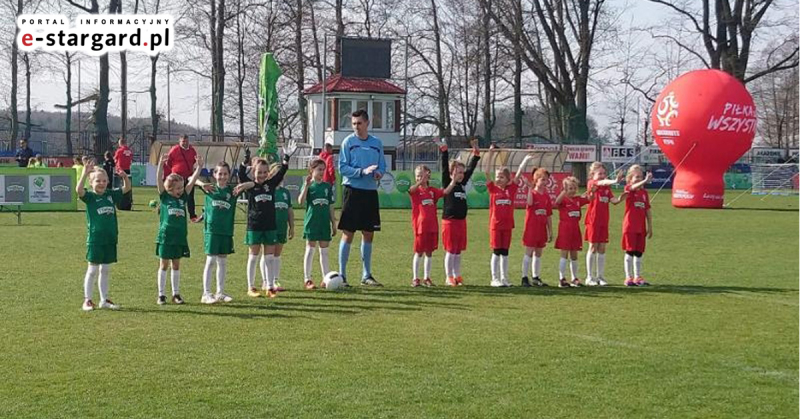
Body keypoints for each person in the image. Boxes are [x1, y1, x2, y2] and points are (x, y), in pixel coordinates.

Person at [237, 140, 298, 298]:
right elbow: (241, 174)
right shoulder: (250, 185)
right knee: (253, 256)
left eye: (265, 172)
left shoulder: (271, 185)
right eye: (259, 172)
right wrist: (245, 160)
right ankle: (251, 287)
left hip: (270, 226)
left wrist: (286, 157)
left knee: (269, 257)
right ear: (254, 172)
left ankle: (270, 286)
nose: (262, 175)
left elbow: (282, 172)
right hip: (255, 226)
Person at [337, 109, 386, 287]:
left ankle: (366, 275)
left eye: (359, 123)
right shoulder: (348, 142)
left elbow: (382, 165)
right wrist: (361, 172)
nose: (356, 127)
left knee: (368, 233)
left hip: (370, 193)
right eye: (353, 124)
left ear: (367, 123)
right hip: (352, 191)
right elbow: (342, 167)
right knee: (348, 233)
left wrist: (378, 174)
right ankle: (342, 276)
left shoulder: (376, 143)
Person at [76, 159, 131, 311]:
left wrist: (124, 177)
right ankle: (87, 300)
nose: (101, 183)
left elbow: (126, 189)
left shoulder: (110, 195)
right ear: (91, 182)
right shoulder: (90, 197)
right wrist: (84, 174)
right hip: (96, 239)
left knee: (105, 270)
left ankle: (104, 299)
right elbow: (79, 191)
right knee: (92, 269)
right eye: (97, 181)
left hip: (110, 238)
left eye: (104, 180)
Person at [195, 162, 250, 304]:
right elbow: (191, 178)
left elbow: (252, 184)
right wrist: (202, 184)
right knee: (211, 260)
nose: (223, 177)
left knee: (223, 261)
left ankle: (220, 292)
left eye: (225, 174)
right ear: (214, 175)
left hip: (226, 231)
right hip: (212, 230)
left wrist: (242, 186)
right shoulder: (210, 189)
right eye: (220, 174)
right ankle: (206, 293)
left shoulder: (232, 192)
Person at [154, 153, 203, 305]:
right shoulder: (165, 197)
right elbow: (159, 182)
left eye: (181, 187)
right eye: (177, 188)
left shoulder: (183, 199)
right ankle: (161, 295)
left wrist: (199, 168)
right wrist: (161, 166)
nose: (180, 190)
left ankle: (176, 294)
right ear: (169, 188)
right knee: (164, 265)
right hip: (166, 237)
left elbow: (192, 182)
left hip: (179, 237)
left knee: (176, 265)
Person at [483, 145, 532, 287]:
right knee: (496, 251)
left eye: (501, 176)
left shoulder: (511, 189)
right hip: (495, 225)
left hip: (508, 225)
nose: (498, 178)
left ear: (507, 178)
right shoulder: (493, 189)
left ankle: (504, 278)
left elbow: (519, 174)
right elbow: (486, 171)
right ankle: (494, 278)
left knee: (505, 252)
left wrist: (525, 160)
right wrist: (491, 153)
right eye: (497, 176)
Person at [438, 138, 481, 286]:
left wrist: (475, 155)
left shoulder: (462, 184)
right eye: (457, 172)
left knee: (458, 250)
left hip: (461, 222)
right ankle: (448, 276)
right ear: (451, 174)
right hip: (449, 221)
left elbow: (470, 169)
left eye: (462, 172)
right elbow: (444, 167)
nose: (461, 175)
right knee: (450, 250)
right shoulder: (448, 182)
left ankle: (457, 275)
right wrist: (444, 151)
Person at [408, 164, 456, 287]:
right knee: (419, 252)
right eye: (418, 176)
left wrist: (453, 181)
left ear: (428, 175)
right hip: (420, 227)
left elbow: (444, 192)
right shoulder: (416, 191)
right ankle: (415, 278)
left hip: (432, 226)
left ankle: (427, 278)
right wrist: (419, 182)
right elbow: (410, 190)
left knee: (429, 252)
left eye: (422, 175)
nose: (420, 178)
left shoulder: (432, 191)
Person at [584, 162, 624, 286]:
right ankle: (589, 277)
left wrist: (623, 197)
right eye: (599, 173)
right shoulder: (592, 184)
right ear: (592, 175)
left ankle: (600, 276)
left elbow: (614, 201)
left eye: (604, 173)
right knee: (593, 247)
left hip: (603, 221)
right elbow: (601, 183)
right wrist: (615, 180)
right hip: (593, 221)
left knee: (602, 248)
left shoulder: (607, 189)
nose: (602, 176)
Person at [299, 159, 336, 289]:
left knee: (324, 251)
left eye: (323, 169)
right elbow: (300, 201)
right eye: (319, 169)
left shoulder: (327, 187)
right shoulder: (309, 185)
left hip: (324, 223)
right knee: (310, 249)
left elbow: (331, 206)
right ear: (312, 171)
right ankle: (307, 279)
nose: (321, 172)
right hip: (312, 222)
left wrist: (334, 222)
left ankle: (326, 279)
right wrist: (306, 186)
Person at [618, 165, 653, 287]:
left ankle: (638, 276)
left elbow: (647, 210)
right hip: (630, 226)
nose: (639, 179)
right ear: (629, 179)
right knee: (630, 251)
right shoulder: (628, 189)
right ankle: (628, 277)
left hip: (641, 227)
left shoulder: (644, 193)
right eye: (636, 177)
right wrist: (644, 181)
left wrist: (650, 226)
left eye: (641, 176)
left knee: (639, 252)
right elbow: (632, 187)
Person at [554, 176, 592, 288]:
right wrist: (564, 191)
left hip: (575, 230)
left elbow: (590, 198)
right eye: (570, 188)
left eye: (574, 188)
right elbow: (557, 202)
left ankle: (574, 278)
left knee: (574, 254)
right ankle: (562, 278)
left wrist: (592, 190)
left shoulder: (578, 200)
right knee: (564, 254)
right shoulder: (564, 200)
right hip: (565, 229)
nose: (573, 190)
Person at [521, 168, 553, 287]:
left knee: (538, 253)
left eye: (546, 180)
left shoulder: (546, 196)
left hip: (541, 228)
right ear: (535, 180)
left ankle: (536, 277)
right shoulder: (533, 193)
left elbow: (548, 214)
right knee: (529, 251)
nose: (545, 182)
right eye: (542, 179)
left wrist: (550, 231)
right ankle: (524, 277)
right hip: (532, 228)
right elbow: (529, 203)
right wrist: (529, 189)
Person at [166, 135, 200, 222]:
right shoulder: (174, 150)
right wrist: (174, 171)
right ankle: (172, 212)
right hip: (177, 178)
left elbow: (193, 162)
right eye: (183, 141)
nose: (185, 143)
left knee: (190, 197)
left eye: (186, 141)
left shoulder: (192, 150)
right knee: (175, 195)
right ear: (179, 142)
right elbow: (168, 162)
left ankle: (193, 216)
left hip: (188, 177)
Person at [270, 179, 295, 292]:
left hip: (282, 227)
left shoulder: (285, 192)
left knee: (277, 254)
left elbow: (289, 210)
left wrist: (292, 226)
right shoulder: (269, 190)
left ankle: (275, 280)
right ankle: (266, 281)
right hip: (270, 227)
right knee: (268, 254)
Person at [114, 137, 135, 210]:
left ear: (120, 143)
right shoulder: (129, 150)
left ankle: (119, 201)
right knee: (128, 185)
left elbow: (115, 159)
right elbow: (131, 158)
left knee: (120, 186)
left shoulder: (119, 150)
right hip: (127, 169)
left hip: (120, 170)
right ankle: (129, 200)